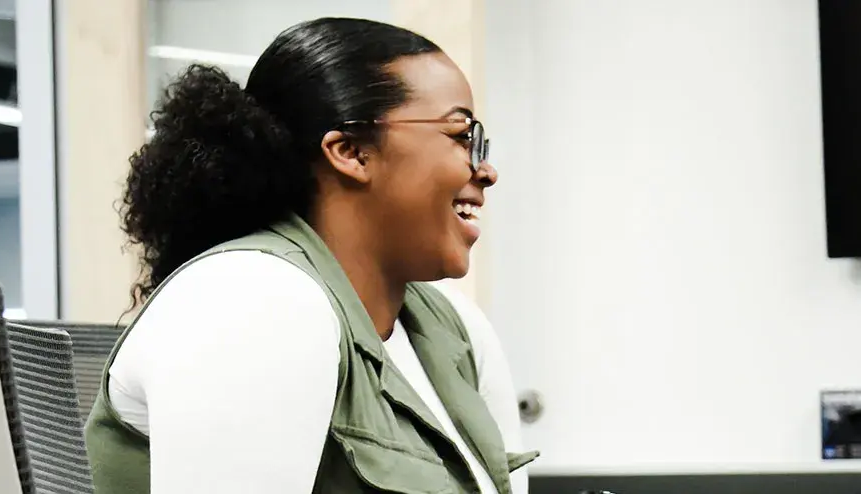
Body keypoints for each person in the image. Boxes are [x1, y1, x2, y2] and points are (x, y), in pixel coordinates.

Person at [84, 17, 537, 494]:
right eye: (461, 135)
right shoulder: (255, 302)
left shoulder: (456, 328)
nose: (486, 170)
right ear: (351, 151)